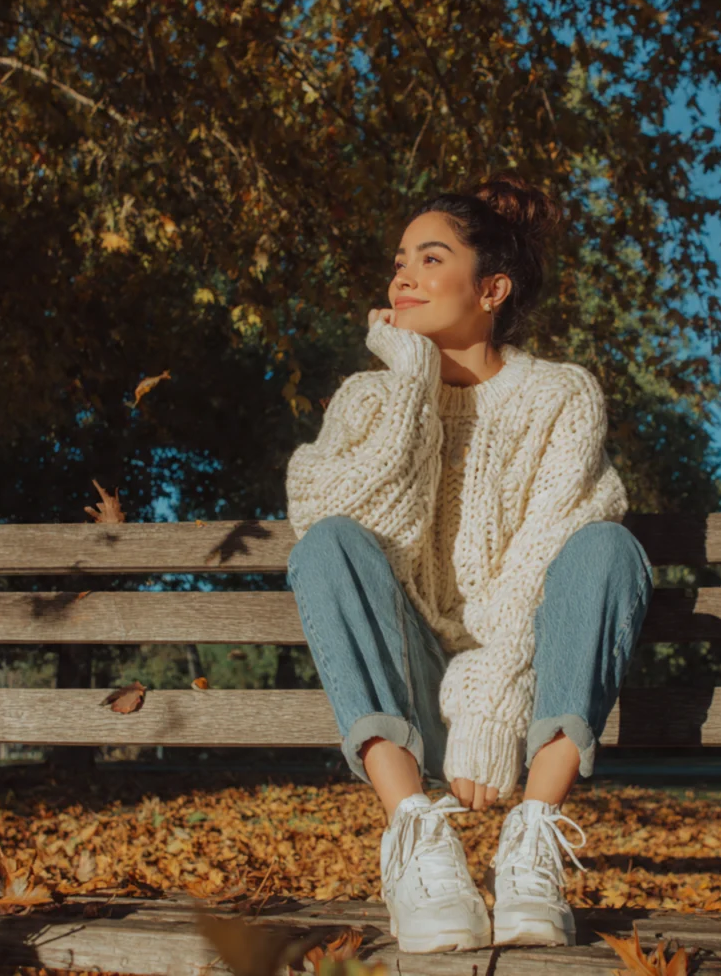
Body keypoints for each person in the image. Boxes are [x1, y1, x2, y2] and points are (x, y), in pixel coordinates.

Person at [284, 174, 654, 955]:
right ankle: (419, 838)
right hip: (411, 682)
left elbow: (549, 551)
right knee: (326, 545)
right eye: (398, 263)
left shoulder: (561, 395)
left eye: (429, 258)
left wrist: (491, 695)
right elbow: (341, 522)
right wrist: (411, 385)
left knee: (607, 549)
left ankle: (531, 846)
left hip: (525, 691)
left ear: (490, 288)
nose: (402, 278)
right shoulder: (369, 395)